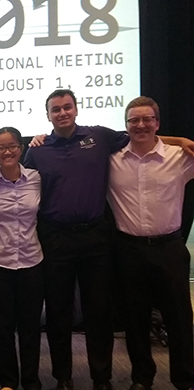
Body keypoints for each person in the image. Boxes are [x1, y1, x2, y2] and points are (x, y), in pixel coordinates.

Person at [23, 89, 130, 390]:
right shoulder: (37, 150)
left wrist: (184, 141)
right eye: (55, 110)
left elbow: (142, 136)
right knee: (58, 312)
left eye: (67, 107)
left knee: (99, 310)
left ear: (76, 109)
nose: (62, 113)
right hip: (55, 238)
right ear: (48, 116)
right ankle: (63, 377)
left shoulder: (99, 137)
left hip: (96, 237)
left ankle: (101, 377)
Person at [107, 96, 194, 390]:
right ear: (126, 125)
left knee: (180, 319)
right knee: (135, 319)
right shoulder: (112, 160)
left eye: (147, 119)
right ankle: (142, 378)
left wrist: (182, 140)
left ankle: (184, 379)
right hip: (128, 249)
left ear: (157, 123)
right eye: (134, 120)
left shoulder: (180, 156)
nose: (141, 125)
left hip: (169, 247)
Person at [0, 127, 44, 390]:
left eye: (12, 146)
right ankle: (8, 381)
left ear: (21, 148)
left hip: (31, 259)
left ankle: (30, 380)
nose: (7, 152)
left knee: (31, 326)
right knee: (4, 327)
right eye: (1, 148)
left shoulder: (37, 178)